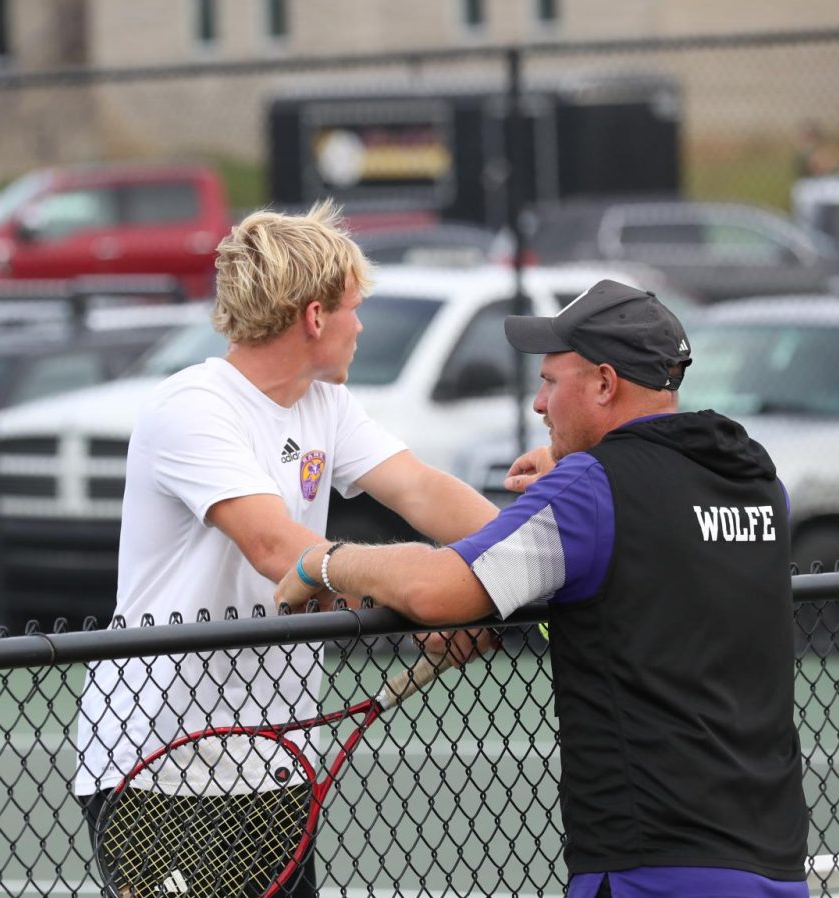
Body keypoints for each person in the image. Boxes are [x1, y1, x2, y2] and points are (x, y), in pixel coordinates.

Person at [277, 280, 811, 898]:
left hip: (650, 865)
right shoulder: (756, 480)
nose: (537, 404)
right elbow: (660, 543)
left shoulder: (595, 488)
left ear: (605, 384)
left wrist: (327, 560)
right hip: (772, 859)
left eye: (551, 383)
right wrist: (582, 466)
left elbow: (438, 591)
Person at [73, 200, 499, 897]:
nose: (361, 324)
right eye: (354, 306)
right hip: (157, 761)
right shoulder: (192, 405)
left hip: (275, 757)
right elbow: (278, 548)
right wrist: (433, 596)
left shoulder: (323, 403)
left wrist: (520, 557)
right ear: (314, 316)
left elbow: (421, 490)